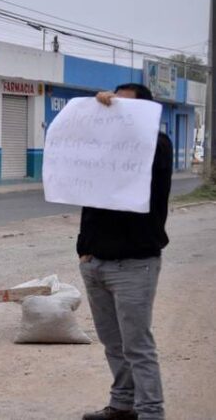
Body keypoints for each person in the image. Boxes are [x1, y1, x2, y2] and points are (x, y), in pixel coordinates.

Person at [78, 83, 172, 420]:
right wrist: (84, 250)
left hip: (135, 264)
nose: (114, 109)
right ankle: (122, 404)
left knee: (137, 347)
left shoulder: (156, 145)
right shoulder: (102, 148)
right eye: (111, 104)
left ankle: (150, 412)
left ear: (146, 113)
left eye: (124, 106)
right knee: (113, 344)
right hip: (96, 263)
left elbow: (143, 148)